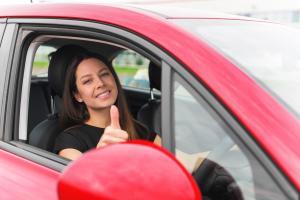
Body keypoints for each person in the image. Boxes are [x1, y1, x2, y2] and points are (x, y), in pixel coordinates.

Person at [53, 46, 160, 160]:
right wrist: (101, 157)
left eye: (104, 74)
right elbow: (78, 176)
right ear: (78, 95)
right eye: (88, 81)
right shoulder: (69, 140)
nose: (100, 83)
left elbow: (175, 161)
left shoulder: (140, 130)